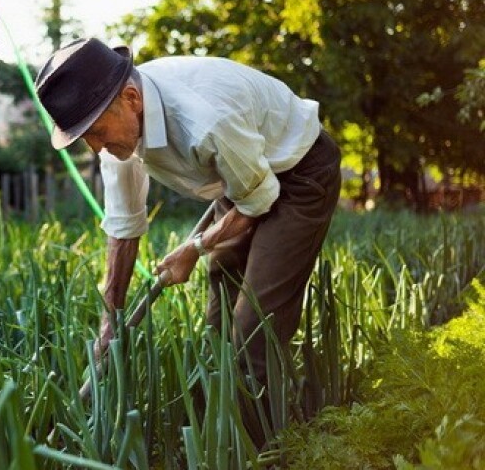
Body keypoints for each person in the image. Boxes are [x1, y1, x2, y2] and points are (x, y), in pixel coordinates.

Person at [34, 37, 341, 445]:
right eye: (85, 138)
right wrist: (111, 319)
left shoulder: (204, 120)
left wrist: (194, 249)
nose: (95, 147)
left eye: (97, 132)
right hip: (241, 177)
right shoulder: (115, 133)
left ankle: (263, 450)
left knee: (253, 327)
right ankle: (215, 429)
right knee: (219, 317)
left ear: (131, 99)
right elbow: (124, 227)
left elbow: (259, 200)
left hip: (299, 172)